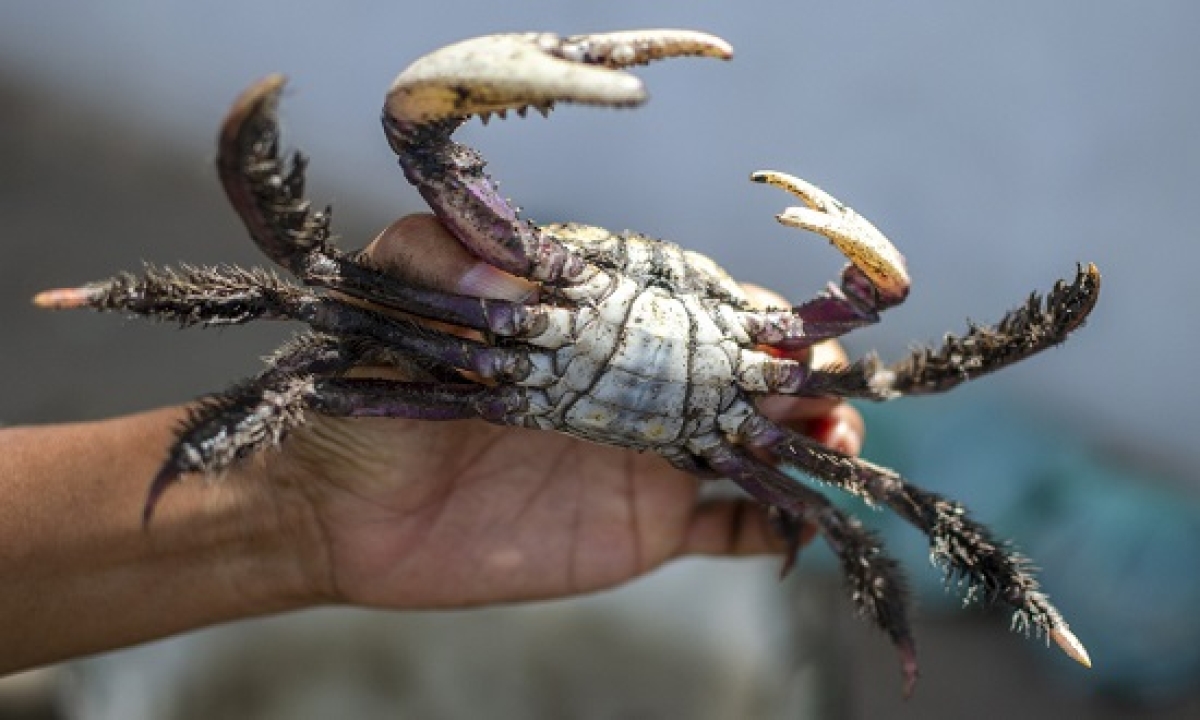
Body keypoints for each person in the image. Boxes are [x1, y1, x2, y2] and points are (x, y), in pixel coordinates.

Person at [0, 215, 864, 676]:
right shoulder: (491, 327)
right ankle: (109, 294)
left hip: (663, 449)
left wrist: (294, 511)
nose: (659, 295)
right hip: (489, 399)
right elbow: (319, 279)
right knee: (323, 296)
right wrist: (285, 494)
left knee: (868, 451)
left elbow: (880, 356)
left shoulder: (765, 388)